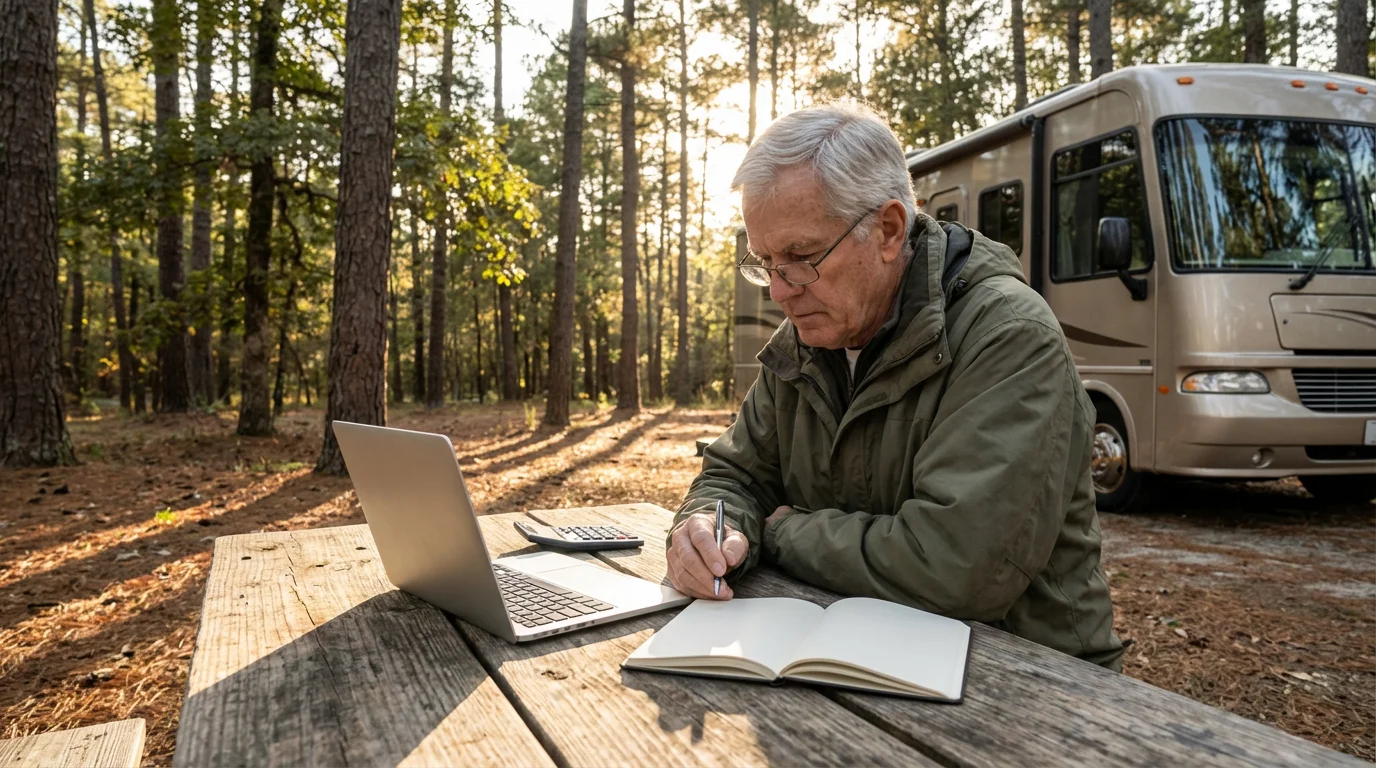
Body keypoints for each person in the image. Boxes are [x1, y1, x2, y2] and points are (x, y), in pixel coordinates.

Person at [666, 102, 1124, 670]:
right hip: (860, 655)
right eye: (764, 262)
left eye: (800, 258)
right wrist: (714, 526)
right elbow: (735, 473)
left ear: (887, 230)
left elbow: (956, 569)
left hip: (1027, 676)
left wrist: (782, 532)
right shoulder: (810, 338)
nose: (778, 292)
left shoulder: (1008, 337)